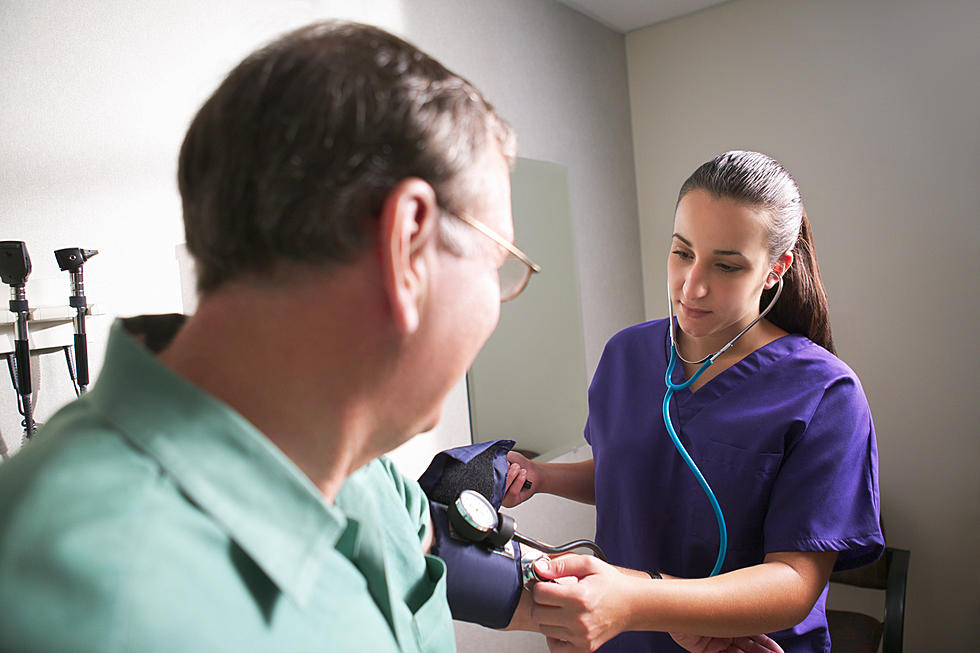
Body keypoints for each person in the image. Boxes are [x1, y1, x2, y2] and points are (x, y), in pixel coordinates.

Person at [0, 21, 532, 652]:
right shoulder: (91, 608)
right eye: (498, 263)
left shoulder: (364, 476)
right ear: (409, 243)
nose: (498, 305)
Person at [503, 151, 883, 653]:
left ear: (776, 270)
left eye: (727, 265)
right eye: (683, 253)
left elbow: (795, 579)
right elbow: (634, 473)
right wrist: (544, 478)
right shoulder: (628, 355)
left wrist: (637, 600)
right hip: (620, 637)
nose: (693, 286)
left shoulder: (824, 393)